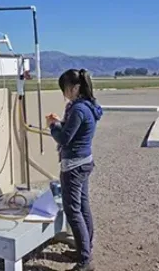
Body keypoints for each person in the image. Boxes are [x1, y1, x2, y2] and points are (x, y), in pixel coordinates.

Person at [46, 69, 103, 271]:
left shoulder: (78, 110)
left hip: (74, 166)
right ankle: (84, 249)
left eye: (66, 89)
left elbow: (64, 138)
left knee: (73, 211)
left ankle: (85, 261)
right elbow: (74, 130)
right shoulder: (87, 106)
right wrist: (61, 123)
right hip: (84, 162)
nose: (65, 93)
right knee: (83, 207)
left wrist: (53, 126)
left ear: (76, 87)